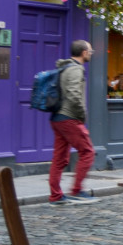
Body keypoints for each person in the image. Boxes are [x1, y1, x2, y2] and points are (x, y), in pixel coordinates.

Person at [48, 40, 99, 205]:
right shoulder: (76, 69)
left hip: (57, 118)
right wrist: (81, 115)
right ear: (84, 52)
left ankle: (55, 195)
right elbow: (74, 95)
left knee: (59, 158)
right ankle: (77, 191)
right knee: (88, 152)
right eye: (90, 51)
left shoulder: (63, 67)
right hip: (69, 118)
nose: (91, 54)